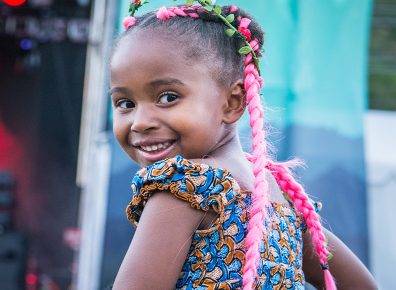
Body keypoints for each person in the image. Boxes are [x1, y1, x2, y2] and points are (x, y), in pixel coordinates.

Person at [109, 1, 378, 289]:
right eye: (125, 103)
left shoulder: (185, 187)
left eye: (168, 97)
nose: (140, 122)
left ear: (233, 102)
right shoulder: (276, 193)